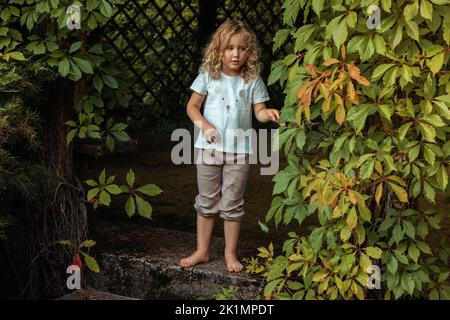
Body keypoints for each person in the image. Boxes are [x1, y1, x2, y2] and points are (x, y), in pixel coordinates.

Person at [180, 19, 279, 272]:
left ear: (249, 52)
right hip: (208, 149)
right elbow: (192, 107)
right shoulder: (208, 76)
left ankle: (230, 254)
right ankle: (202, 251)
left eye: (242, 48)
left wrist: (267, 114)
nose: (235, 54)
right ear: (219, 50)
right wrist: (205, 126)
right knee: (206, 201)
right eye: (229, 48)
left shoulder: (252, 80)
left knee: (233, 204)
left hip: (240, 152)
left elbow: (258, 112)